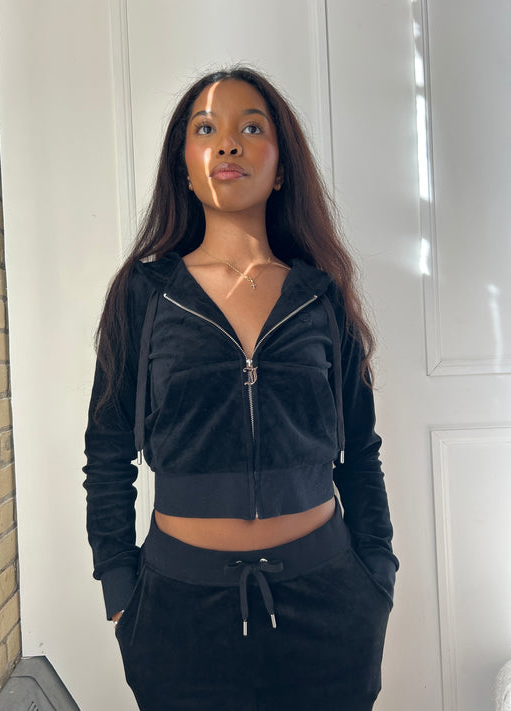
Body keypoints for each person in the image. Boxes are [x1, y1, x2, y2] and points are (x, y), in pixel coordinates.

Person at [83, 65, 399, 711]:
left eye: (251, 128)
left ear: (281, 168)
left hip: (328, 603)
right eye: (206, 129)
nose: (227, 142)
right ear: (184, 167)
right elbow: (107, 451)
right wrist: (119, 585)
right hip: (178, 614)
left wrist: (377, 575)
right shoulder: (146, 293)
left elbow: (360, 451)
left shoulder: (320, 295)